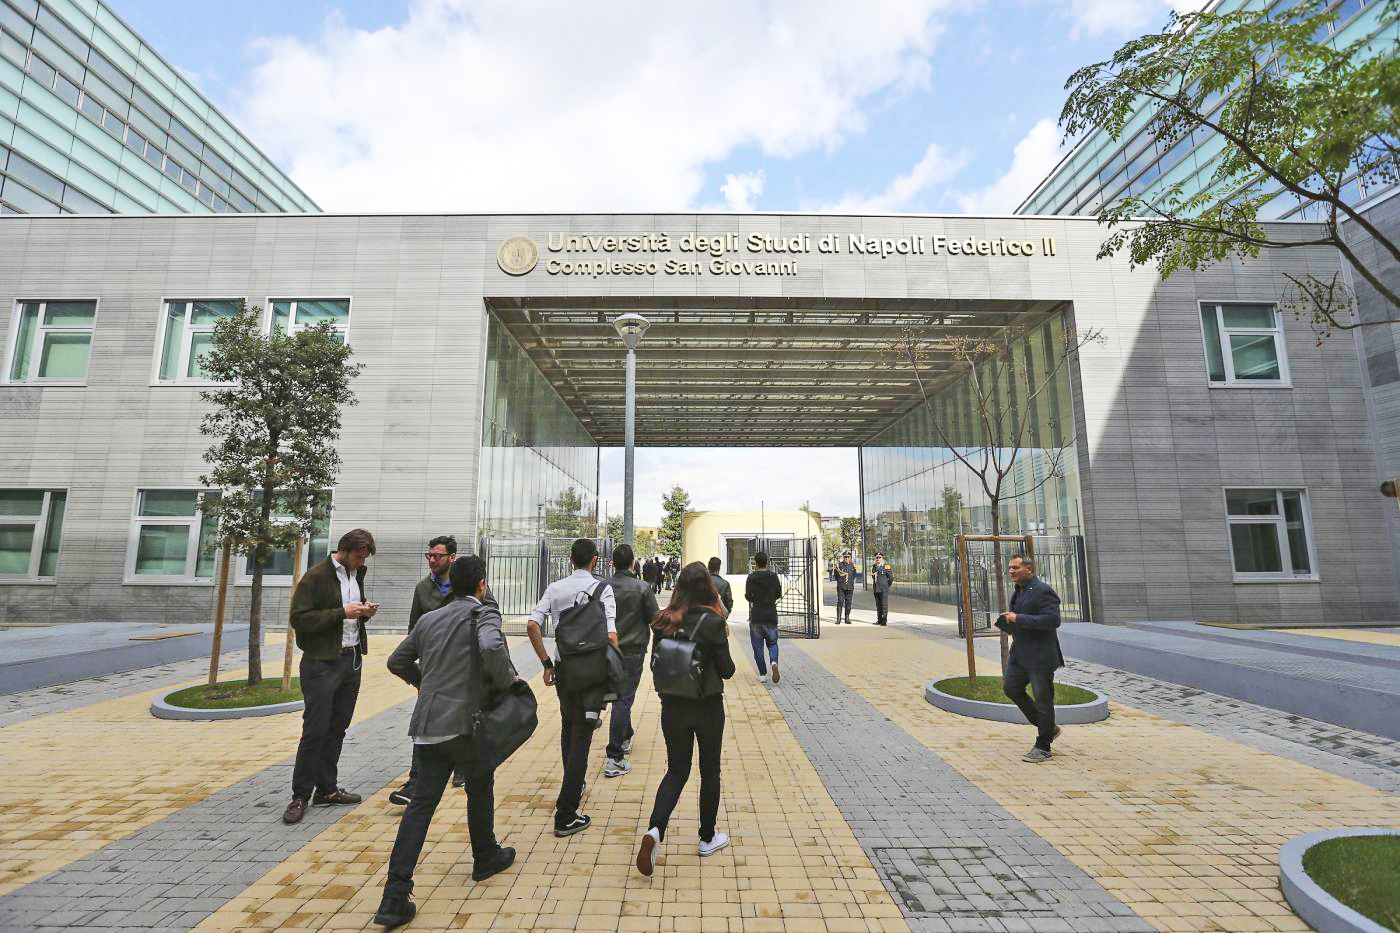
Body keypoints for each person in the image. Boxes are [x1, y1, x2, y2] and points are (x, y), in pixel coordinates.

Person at [374, 555, 517, 928]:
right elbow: (491, 648)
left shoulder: (429, 619)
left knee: (421, 806)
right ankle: (485, 856)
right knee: (480, 786)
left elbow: (396, 661)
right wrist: (508, 684)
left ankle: (394, 895)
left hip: (427, 726)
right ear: (482, 585)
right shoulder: (483, 614)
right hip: (466, 724)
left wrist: (425, 684)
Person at [635, 562, 736, 876]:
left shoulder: (663, 620)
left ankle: (655, 829)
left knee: (676, 770)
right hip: (707, 705)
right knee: (710, 770)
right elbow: (728, 670)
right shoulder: (712, 622)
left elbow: (656, 663)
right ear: (708, 587)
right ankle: (707, 837)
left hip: (673, 705)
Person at [283, 528, 378, 825]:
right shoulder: (315, 576)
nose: (362, 562)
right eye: (359, 557)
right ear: (345, 551)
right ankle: (300, 795)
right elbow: (299, 619)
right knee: (315, 730)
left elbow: (348, 615)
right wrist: (342, 613)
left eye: (365, 558)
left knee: (337, 728)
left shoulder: (356, 574)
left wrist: (363, 612)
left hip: (351, 661)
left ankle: (326, 789)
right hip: (321, 664)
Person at [527, 538, 618, 837]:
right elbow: (611, 636)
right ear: (594, 560)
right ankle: (566, 813)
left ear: (570, 559)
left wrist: (546, 663)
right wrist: (614, 670)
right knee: (582, 737)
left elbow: (532, 624)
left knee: (569, 726)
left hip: (564, 670)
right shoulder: (603, 589)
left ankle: (574, 783)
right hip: (592, 672)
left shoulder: (555, 588)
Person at [389, 535, 459, 807]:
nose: (432, 560)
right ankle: (415, 782)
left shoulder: (466, 584)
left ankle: (463, 768)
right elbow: (413, 632)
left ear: (451, 558)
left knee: (467, 718)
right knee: (424, 724)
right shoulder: (422, 589)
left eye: (437, 556)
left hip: (460, 668)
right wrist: (420, 679)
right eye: (429, 555)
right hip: (432, 671)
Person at [997, 554, 1065, 763]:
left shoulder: (1043, 590)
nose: (1011, 571)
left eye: (1015, 568)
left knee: (1044, 700)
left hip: (1040, 656)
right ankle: (1049, 728)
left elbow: (1053, 620)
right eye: (1010, 568)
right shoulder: (1019, 591)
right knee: (1011, 688)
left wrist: (1018, 618)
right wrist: (1008, 623)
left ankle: (1043, 746)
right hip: (1020, 654)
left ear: (1029, 569)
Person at [603, 543, 658, 778]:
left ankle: (625, 734)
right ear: (633, 563)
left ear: (613, 563)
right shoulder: (642, 588)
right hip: (633, 650)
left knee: (618, 696)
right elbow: (655, 619)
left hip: (607, 650)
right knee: (623, 700)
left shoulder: (602, 586)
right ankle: (614, 756)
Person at [744, 551, 782, 683]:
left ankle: (762, 674)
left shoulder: (751, 578)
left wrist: (754, 597)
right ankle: (774, 662)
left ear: (755, 563)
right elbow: (778, 593)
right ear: (767, 562)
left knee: (758, 647)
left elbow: (748, 596)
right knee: (773, 643)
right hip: (771, 614)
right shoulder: (773, 576)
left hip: (757, 615)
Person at [871, 552, 893, 626]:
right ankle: (879, 620)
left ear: (882, 558)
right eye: (876, 557)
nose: (878, 559)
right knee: (878, 605)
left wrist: (886, 585)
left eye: (879, 557)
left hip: (883, 589)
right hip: (876, 588)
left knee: (884, 605)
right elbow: (873, 577)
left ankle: (884, 620)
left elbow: (891, 578)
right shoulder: (874, 567)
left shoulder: (886, 566)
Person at [834, 550, 856, 624]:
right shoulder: (839, 565)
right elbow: (836, 576)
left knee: (848, 603)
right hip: (841, 587)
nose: (846, 558)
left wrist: (849, 582)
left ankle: (847, 618)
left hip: (850, 587)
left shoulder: (853, 565)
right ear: (843, 557)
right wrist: (841, 582)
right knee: (840, 601)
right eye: (845, 557)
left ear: (850, 558)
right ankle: (838, 619)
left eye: (848, 557)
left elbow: (854, 575)